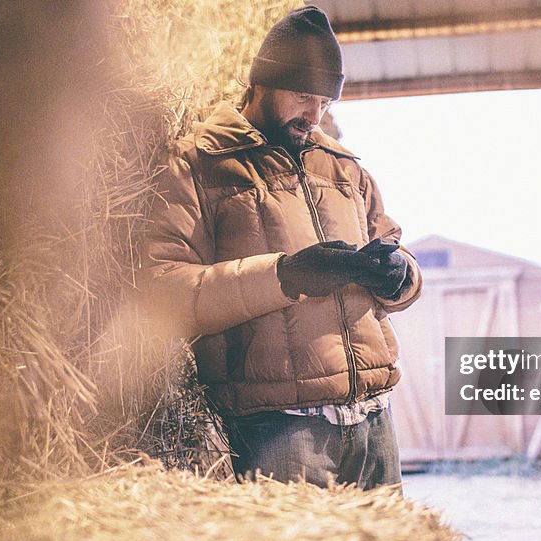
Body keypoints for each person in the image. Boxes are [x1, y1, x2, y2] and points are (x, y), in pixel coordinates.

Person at [143, 5, 421, 490]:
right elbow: (164, 291)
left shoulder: (345, 169)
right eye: (302, 97)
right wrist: (284, 276)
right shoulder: (198, 167)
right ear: (262, 84)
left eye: (325, 103)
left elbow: (399, 253)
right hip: (280, 428)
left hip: (375, 421)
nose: (314, 117)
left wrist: (402, 276)